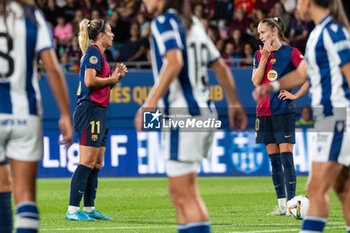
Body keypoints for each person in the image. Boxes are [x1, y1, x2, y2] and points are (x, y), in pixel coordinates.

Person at [135, 0, 247, 232]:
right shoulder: (192, 22)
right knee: (183, 194)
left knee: (184, 195)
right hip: (204, 113)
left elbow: (174, 61)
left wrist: (149, 103)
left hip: (182, 116)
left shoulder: (164, 21)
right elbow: (221, 68)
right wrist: (234, 102)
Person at [253, 0, 350, 232]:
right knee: (343, 186)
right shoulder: (319, 33)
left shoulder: (332, 32)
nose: (296, 6)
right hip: (329, 117)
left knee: (316, 188)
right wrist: (272, 87)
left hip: (336, 116)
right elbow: (302, 74)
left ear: (308, 2)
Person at [0, 0, 73, 232]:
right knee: (25, 197)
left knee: (2, 186)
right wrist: (64, 114)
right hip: (26, 114)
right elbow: (52, 67)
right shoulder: (32, 15)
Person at [65, 18, 128, 221]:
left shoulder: (100, 54)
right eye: (110, 32)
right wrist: (113, 78)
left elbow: (101, 86)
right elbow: (90, 81)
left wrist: (115, 78)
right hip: (89, 111)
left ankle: (90, 209)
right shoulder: (92, 53)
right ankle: (73, 210)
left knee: (97, 163)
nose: (113, 35)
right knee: (87, 162)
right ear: (101, 35)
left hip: (99, 111)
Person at [251, 17, 309, 216]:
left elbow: (308, 75)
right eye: (258, 33)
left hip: (283, 110)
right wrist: (264, 58)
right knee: (274, 160)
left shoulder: (291, 52)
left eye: (263, 32)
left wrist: (295, 95)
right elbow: (256, 82)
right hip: (263, 112)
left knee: (286, 158)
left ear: (274, 31)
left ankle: (293, 204)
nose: (260, 36)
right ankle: (282, 205)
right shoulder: (259, 55)